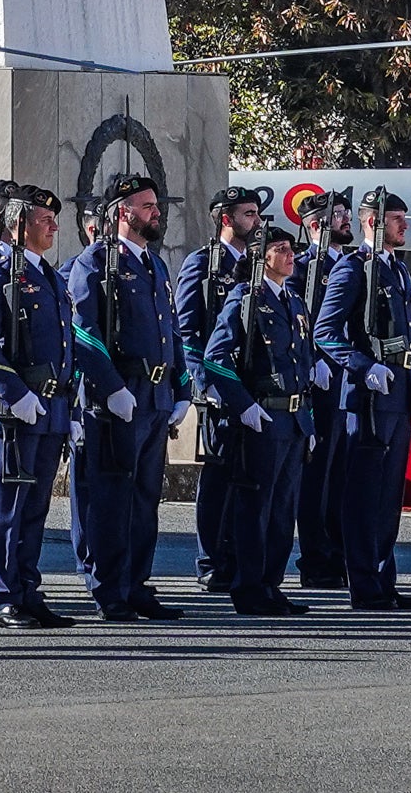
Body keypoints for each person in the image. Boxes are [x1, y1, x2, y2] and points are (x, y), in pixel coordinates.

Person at [65, 173, 187, 622]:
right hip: (119, 394)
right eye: (147, 206)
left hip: (153, 396)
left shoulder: (153, 264)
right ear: (123, 212)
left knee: (144, 496)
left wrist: (181, 387)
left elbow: (169, 328)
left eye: (155, 205)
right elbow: (84, 331)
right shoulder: (95, 263)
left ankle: (136, 582)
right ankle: (108, 587)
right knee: (112, 496)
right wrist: (112, 388)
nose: (156, 213)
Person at [313, 184, 411, 612]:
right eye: (398, 220)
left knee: (388, 495)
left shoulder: (397, 270)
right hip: (367, 397)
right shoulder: (353, 269)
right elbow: (325, 332)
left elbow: (408, 338)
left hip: (396, 395)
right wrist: (364, 367)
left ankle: (384, 577)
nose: (405, 227)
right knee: (364, 494)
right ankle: (363, 582)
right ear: (372, 223)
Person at [0, 181, 74, 626]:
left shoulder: (49, 276)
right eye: (44, 221)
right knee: (5, 509)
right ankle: (2, 595)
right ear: (17, 225)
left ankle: (28, 589)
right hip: (14, 413)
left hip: (49, 412)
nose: (52, 228)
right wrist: (15, 394)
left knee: (35, 509)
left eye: (53, 220)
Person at [199, 222, 310, 616]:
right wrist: (243, 404)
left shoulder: (294, 302)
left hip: (293, 421)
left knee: (283, 511)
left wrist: (307, 420)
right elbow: (215, 357)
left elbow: (301, 362)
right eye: (280, 249)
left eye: (290, 248)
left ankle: (270, 584)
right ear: (261, 257)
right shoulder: (244, 298)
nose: (290, 255)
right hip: (262, 417)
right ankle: (248, 587)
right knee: (255, 508)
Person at [173, 184, 265, 592]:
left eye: (257, 214)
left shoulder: (259, 264)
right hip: (220, 386)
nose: (257, 222)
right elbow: (188, 330)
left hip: (253, 388)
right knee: (219, 477)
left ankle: (239, 556)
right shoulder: (203, 265)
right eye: (248, 214)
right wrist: (203, 382)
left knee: (247, 477)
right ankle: (211, 559)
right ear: (226, 219)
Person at [293, 187, 359, 589]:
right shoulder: (300, 268)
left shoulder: (351, 267)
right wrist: (310, 359)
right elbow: (295, 322)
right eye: (339, 215)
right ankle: (316, 557)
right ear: (317, 225)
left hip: (346, 379)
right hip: (317, 380)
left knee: (340, 471)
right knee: (316, 473)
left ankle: (337, 551)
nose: (346, 220)